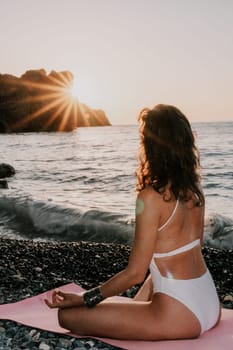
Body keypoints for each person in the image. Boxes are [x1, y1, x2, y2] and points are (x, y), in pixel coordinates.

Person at [45, 104, 221, 340]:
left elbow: (135, 274)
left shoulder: (150, 197)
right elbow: (189, 250)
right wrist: (142, 301)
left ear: (151, 145)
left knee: (67, 317)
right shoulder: (194, 191)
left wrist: (84, 298)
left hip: (181, 315)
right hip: (210, 302)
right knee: (137, 304)